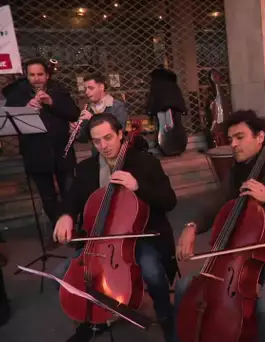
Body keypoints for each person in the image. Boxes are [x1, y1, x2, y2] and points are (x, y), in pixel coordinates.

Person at [174, 109, 265, 342]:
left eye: (240, 137)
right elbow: (215, 204)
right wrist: (192, 226)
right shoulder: (237, 174)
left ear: (260, 138)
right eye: (231, 139)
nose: (233, 144)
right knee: (186, 286)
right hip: (236, 256)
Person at [51, 114, 178, 342]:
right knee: (61, 275)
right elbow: (72, 199)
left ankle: (166, 316)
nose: (104, 145)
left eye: (108, 138)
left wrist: (138, 186)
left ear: (120, 134)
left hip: (139, 236)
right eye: (97, 141)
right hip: (99, 239)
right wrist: (66, 215)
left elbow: (169, 201)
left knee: (153, 272)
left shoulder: (145, 162)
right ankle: (93, 320)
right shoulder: (87, 169)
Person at [3, 58, 80, 245]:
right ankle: (57, 231)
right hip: (35, 154)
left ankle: (73, 229)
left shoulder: (58, 91)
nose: (37, 79)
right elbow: (10, 119)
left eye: (40, 74)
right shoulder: (17, 94)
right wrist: (25, 110)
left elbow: (74, 113)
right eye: (32, 75)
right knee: (47, 196)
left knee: (69, 191)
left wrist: (52, 102)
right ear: (26, 76)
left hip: (61, 151)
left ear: (47, 75)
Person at [72, 73, 128, 155]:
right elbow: (84, 138)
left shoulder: (117, 106)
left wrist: (93, 119)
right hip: (97, 154)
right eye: (85, 89)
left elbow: (120, 131)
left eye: (91, 88)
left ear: (101, 87)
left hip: (116, 153)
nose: (87, 92)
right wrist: (76, 131)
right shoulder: (89, 109)